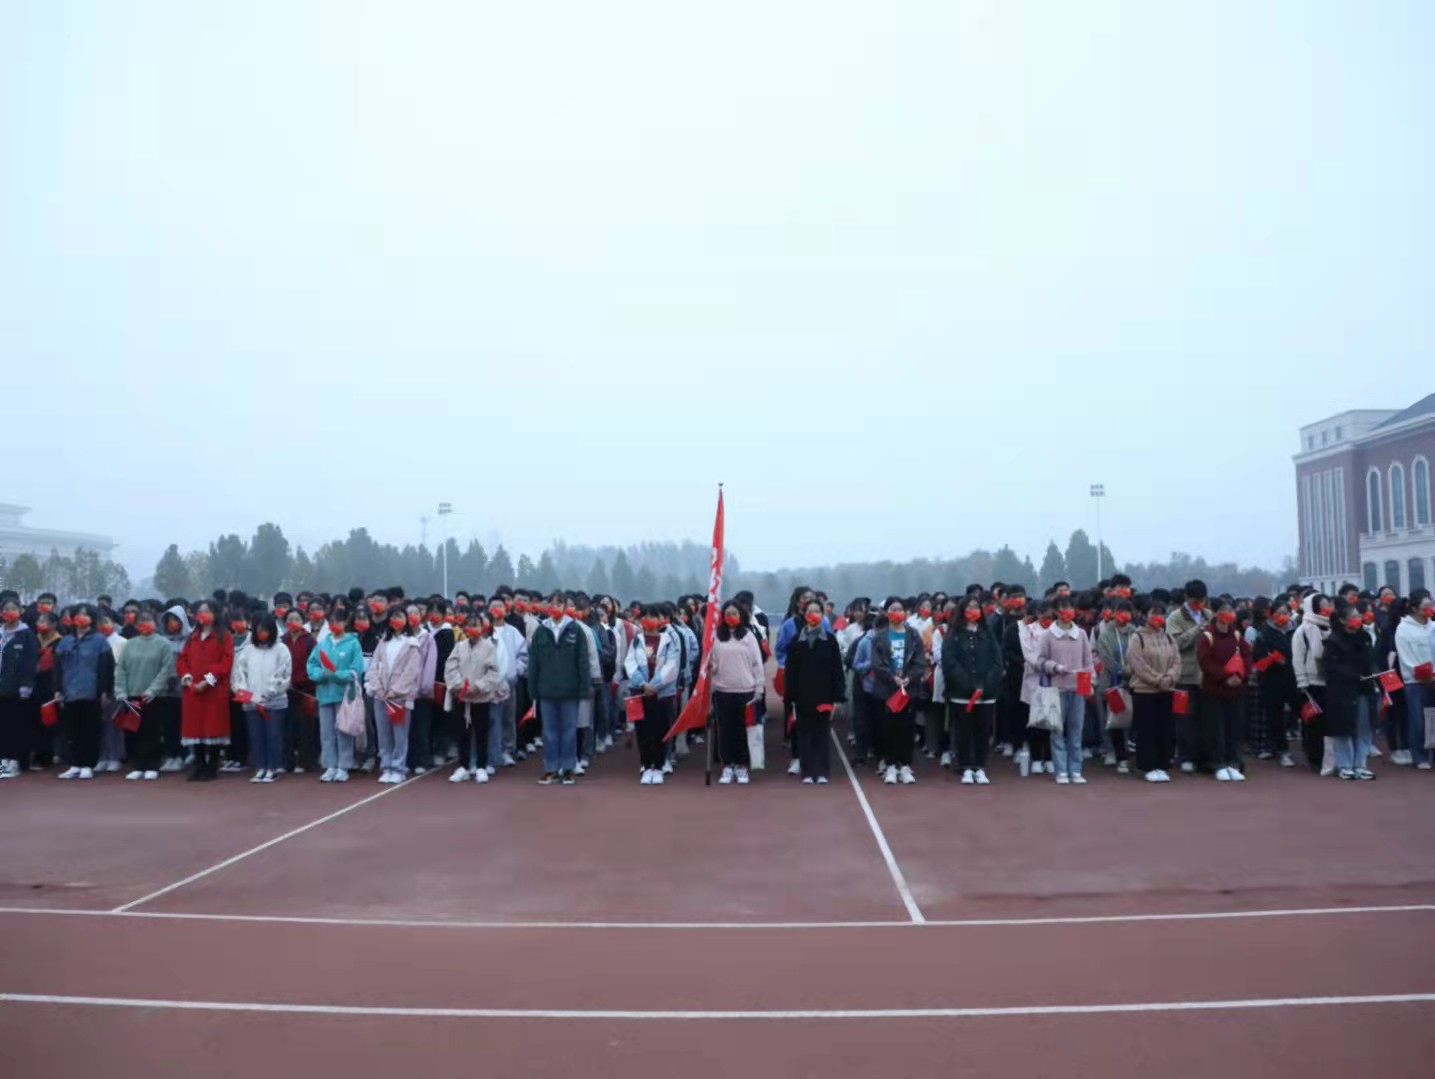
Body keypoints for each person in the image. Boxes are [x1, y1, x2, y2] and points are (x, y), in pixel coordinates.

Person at [528, 590, 590, 785]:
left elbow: (583, 661)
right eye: (552, 604)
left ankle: (568, 768)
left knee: (569, 731)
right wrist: (532, 689)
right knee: (549, 732)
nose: (555, 608)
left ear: (564, 607)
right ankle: (551, 768)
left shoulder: (575, 630)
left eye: (559, 604)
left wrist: (584, 688)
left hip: (570, 690)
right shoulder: (541, 631)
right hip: (546, 691)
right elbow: (533, 662)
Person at [941, 596, 1004, 785]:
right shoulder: (954, 634)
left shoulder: (988, 633)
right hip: (962, 694)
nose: (973, 610)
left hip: (986, 694)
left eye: (976, 607)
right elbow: (949, 662)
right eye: (969, 607)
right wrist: (968, 684)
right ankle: (965, 766)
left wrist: (986, 684)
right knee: (963, 731)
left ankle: (980, 766)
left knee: (983, 731)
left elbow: (997, 661)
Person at [782, 599, 845, 784]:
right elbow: (790, 672)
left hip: (824, 694)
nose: (813, 615)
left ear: (822, 615)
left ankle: (822, 771)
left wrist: (838, 695)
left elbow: (837, 669)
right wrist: (790, 696)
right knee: (805, 734)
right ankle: (807, 771)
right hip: (802, 696)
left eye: (817, 611)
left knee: (822, 733)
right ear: (804, 614)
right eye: (810, 611)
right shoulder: (796, 641)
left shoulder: (830, 640)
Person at [865, 597, 926, 785]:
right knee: (888, 728)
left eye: (900, 609)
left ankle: (905, 765)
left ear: (905, 613)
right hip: (887, 690)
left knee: (907, 729)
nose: (897, 613)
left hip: (908, 690)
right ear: (886, 613)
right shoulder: (879, 637)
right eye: (893, 609)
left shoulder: (913, 636)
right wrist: (892, 678)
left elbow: (919, 662)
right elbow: (876, 663)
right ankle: (890, 765)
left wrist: (910, 677)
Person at [365, 604, 428, 784]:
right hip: (381, 696)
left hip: (399, 698)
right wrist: (378, 688)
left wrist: (396, 690)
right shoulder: (383, 642)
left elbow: (411, 671)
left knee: (400, 735)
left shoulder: (411, 643)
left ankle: (399, 767)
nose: (396, 620)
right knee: (383, 735)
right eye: (393, 617)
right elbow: (373, 666)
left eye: (400, 616)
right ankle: (386, 767)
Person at [113, 607, 176, 781]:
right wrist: (121, 691)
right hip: (132, 694)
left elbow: (166, 669)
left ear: (155, 623)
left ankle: (152, 765)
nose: (145, 624)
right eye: (141, 621)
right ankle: (138, 765)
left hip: (154, 696)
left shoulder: (163, 644)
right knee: (133, 732)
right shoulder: (130, 644)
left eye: (148, 620)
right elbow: (122, 669)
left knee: (152, 731)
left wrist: (153, 690)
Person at [1036, 597, 1094, 785]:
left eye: (1069, 608)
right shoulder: (1047, 635)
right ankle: (1061, 771)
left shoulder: (1081, 634)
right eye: (1063, 609)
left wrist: (1090, 683)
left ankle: (1075, 770)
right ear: (1055, 612)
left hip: (1078, 689)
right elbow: (1040, 661)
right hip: (1056, 689)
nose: (1067, 612)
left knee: (1076, 732)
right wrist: (1055, 667)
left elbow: (1088, 662)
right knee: (1057, 732)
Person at [175, 599, 233, 782]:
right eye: (201, 611)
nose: (203, 614)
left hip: (214, 690)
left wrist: (208, 680)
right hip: (193, 690)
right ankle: (198, 765)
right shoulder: (192, 637)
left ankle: (212, 766)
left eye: (207, 611)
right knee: (196, 729)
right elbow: (183, 659)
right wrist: (187, 677)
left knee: (213, 727)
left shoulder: (224, 636)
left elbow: (226, 662)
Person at [708, 600, 764, 785]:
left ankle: (741, 765)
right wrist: (711, 666)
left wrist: (759, 688)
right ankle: (727, 765)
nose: (731, 617)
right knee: (725, 730)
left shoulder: (748, 636)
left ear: (741, 616)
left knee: (742, 730)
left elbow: (757, 664)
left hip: (745, 690)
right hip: (723, 690)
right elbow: (714, 663)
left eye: (734, 613)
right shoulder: (717, 636)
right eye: (728, 614)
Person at [446, 611, 507, 784]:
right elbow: (450, 667)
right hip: (462, 697)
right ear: (464, 627)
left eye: (476, 625)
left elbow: (493, 671)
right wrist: (458, 684)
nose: (473, 629)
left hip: (481, 698)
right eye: (470, 625)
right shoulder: (459, 646)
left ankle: (481, 766)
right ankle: (464, 766)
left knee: (481, 732)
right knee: (462, 733)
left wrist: (478, 687)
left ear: (482, 627)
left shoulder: (489, 647)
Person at [1196, 601, 1253, 782]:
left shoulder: (1237, 635)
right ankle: (1218, 763)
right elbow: (1205, 663)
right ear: (1216, 614)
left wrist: (1241, 676)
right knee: (1216, 729)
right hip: (1214, 690)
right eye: (1223, 612)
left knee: (1234, 728)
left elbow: (1247, 656)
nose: (1227, 616)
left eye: (1230, 612)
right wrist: (1225, 677)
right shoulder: (1207, 636)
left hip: (1236, 690)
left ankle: (1234, 763)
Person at [624, 603, 681, 785]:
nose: (648, 620)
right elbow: (630, 663)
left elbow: (671, 666)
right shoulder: (636, 640)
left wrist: (655, 684)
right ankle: (646, 765)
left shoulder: (669, 640)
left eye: (652, 616)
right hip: (640, 692)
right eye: (644, 616)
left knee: (660, 729)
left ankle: (658, 766)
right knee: (643, 730)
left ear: (660, 620)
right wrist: (643, 684)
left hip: (662, 694)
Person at [231, 613, 291, 783]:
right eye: (258, 630)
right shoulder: (248, 651)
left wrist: (268, 693)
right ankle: (260, 767)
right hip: (251, 702)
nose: (262, 633)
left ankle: (273, 767)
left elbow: (283, 674)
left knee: (273, 735)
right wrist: (243, 692)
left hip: (274, 702)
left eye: (265, 630)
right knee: (256, 736)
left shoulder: (281, 649)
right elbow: (239, 673)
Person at [306, 610, 364, 782]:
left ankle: (344, 766)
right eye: (331, 622)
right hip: (325, 693)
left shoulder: (353, 643)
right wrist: (320, 675)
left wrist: (339, 674)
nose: (334, 625)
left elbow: (357, 669)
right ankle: (330, 765)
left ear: (345, 622)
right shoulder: (323, 644)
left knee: (343, 730)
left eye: (338, 621)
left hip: (344, 693)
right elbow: (312, 664)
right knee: (326, 732)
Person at [1126, 602, 1180, 782]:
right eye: (1154, 613)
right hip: (1144, 691)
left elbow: (1176, 661)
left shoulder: (1169, 638)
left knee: (1165, 729)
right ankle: (1146, 766)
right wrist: (1157, 679)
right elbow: (1138, 664)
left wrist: (1170, 677)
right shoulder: (1137, 638)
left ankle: (1162, 765)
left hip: (1167, 689)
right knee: (1146, 730)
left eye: (1161, 614)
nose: (1158, 618)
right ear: (1145, 616)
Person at [1324, 601, 1375, 780]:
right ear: (1343, 620)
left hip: (1364, 687)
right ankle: (1345, 765)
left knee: (1363, 727)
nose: (1358, 619)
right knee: (1344, 728)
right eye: (1353, 616)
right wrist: (1352, 675)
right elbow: (1331, 667)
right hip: (1342, 690)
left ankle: (1361, 764)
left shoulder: (1365, 637)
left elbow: (1370, 661)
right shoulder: (1333, 641)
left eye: (1359, 616)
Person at [1165, 579, 1209, 774]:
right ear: (1186, 597)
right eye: (1194, 600)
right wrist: (1195, 631)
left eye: (1201, 600)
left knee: (1203, 717)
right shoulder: (1175, 617)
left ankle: (1202, 755)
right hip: (1183, 676)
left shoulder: (1208, 615)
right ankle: (1185, 756)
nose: (1198, 604)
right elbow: (1174, 643)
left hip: (1205, 676)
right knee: (1183, 719)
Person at [1252, 598, 1299, 767]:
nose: (1282, 616)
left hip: (1294, 678)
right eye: (1279, 613)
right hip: (1272, 681)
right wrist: (1272, 660)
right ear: (1271, 615)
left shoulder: (1296, 632)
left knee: (1296, 712)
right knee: (1275, 716)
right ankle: (1282, 750)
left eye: (1285, 613)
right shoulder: (1264, 634)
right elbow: (1258, 660)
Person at [1094, 599, 1136, 774]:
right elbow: (1107, 658)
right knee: (1114, 720)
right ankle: (1116, 754)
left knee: (1131, 720)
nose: (1123, 615)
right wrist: (1123, 672)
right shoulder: (1105, 634)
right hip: (1111, 682)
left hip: (1133, 683)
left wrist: (1133, 672)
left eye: (1127, 611)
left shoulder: (1135, 632)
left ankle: (1128, 752)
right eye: (1120, 611)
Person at [1393, 590, 1434, 770]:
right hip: (1415, 681)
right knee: (1418, 720)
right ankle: (1419, 755)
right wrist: (1423, 676)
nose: (1430, 609)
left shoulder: (1433, 627)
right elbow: (1406, 657)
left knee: (1433, 718)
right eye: (1426, 606)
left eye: (1431, 605)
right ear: (1415, 608)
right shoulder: (1403, 629)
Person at [1292, 593, 1333, 774]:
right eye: (1322, 605)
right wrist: (1302, 681)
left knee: (1328, 723)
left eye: (1328, 604)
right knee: (1313, 723)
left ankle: (1328, 758)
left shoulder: (1333, 627)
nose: (1326, 608)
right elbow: (1297, 658)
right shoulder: (1303, 630)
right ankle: (1314, 757)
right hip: (1311, 682)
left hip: (1330, 681)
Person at [0, 596, 39, 779]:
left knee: (16, 725)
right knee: (2, 725)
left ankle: (15, 761)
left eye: (13, 608)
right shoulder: (1, 633)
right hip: (1, 686)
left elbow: (30, 661)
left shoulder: (26, 634)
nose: (9, 612)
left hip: (17, 688)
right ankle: (4, 759)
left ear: (20, 611)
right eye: (6, 609)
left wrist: (26, 685)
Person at [282, 609, 319, 774]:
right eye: (290, 619)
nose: (293, 622)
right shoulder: (282, 641)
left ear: (303, 621)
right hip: (285, 691)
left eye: (297, 619)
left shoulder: (310, 641)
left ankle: (305, 761)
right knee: (287, 728)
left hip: (305, 691)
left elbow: (314, 664)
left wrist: (298, 682)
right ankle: (287, 762)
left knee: (305, 728)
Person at [157, 605, 191, 772]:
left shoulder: (190, 639)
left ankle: (182, 756)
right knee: (167, 723)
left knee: (182, 723)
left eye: (175, 620)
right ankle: (171, 755)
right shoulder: (162, 641)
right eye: (169, 620)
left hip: (184, 686)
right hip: (166, 686)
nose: (172, 624)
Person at [95, 611, 127, 773]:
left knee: (114, 723)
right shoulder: (95, 641)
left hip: (116, 686)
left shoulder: (122, 642)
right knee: (99, 724)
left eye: (106, 621)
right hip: (97, 685)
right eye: (99, 622)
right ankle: (102, 757)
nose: (103, 625)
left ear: (114, 623)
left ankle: (115, 756)